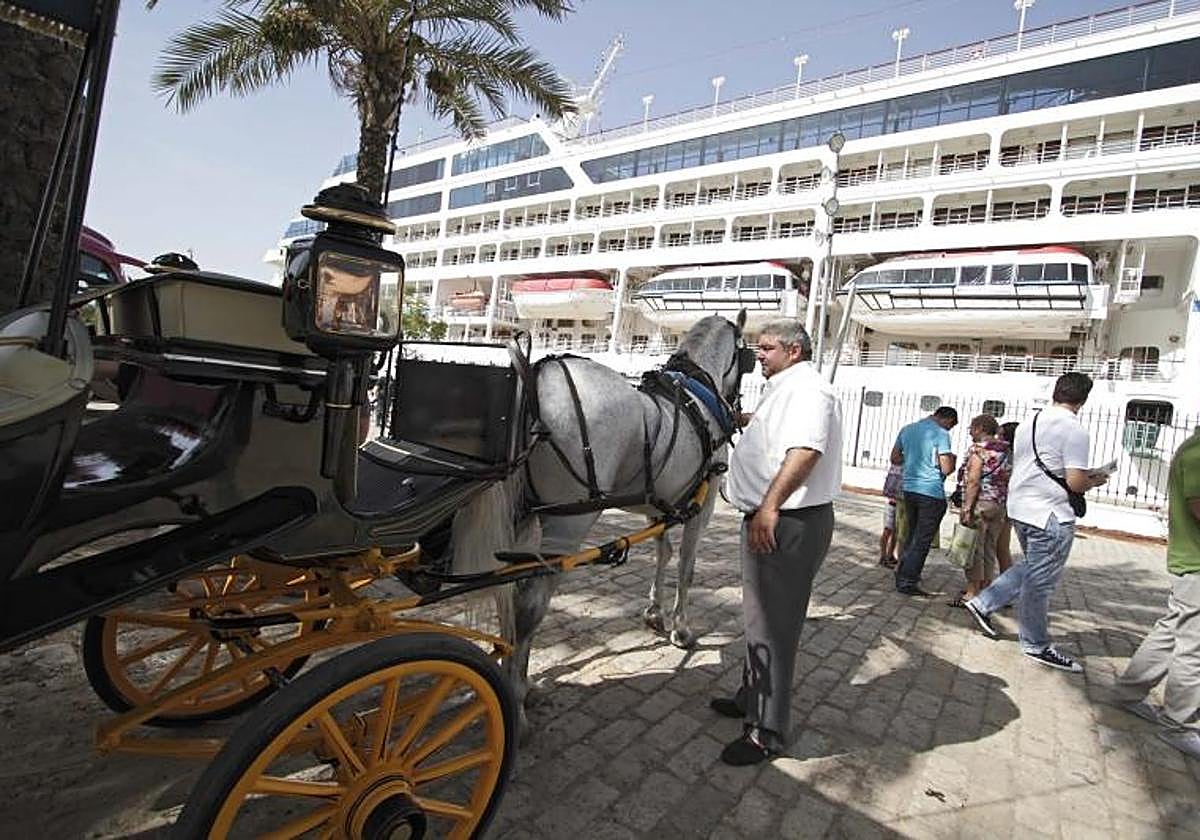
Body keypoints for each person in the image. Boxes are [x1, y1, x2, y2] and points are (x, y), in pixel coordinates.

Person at [713, 319, 842, 766]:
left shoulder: (808, 389)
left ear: (794, 350)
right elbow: (779, 434)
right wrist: (747, 421)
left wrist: (768, 508)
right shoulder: (786, 386)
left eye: (767, 348)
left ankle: (766, 732)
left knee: (773, 626)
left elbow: (805, 450)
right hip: (777, 517)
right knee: (758, 619)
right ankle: (752, 695)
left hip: (786, 521)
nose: (759, 355)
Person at [964, 373, 1108, 672]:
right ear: (1083, 399)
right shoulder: (1074, 429)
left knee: (1034, 566)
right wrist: (1095, 479)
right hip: (1050, 512)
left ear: (1056, 392)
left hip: (1021, 507)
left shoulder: (1032, 422)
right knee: (1040, 582)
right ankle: (1035, 644)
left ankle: (983, 602)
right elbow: (1075, 481)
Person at [1115, 426, 1200, 759]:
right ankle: (1179, 723)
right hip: (1195, 562)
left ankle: (1129, 691)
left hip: (1190, 563)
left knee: (1171, 630)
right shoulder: (1197, 452)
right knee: (1192, 646)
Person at [891, 406, 958, 595]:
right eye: (951, 425)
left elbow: (895, 458)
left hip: (909, 489)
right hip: (931, 491)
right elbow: (945, 468)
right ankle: (907, 581)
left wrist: (913, 460)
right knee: (922, 540)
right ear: (947, 420)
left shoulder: (907, 429)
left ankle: (903, 571)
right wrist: (951, 462)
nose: (950, 429)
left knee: (911, 535)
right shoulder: (942, 434)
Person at [952, 414, 1011, 606]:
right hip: (999, 504)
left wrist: (967, 507)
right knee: (989, 548)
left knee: (974, 548)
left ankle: (971, 591)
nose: (969, 431)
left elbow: (973, 480)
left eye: (971, 427)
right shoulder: (1006, 450)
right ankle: (986, 587)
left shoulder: (979, 451)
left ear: (980, 428)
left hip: (981, 503)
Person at [996, 421, 1020, 574]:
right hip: (1009, 502)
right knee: (1001, 545)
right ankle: (1006, 577)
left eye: (1000, 434)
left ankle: (1006, 579)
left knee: (998, 545)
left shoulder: (1007, 455)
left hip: (1002, 501)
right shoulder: (1020, 455)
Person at [879, 462, 903, 568]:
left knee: (895, 531)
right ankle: (883, 556)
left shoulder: (897, 464)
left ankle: (890, 554)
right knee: (888, 530)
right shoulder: (899, 464)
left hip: (896, 502)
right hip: (893, 502)